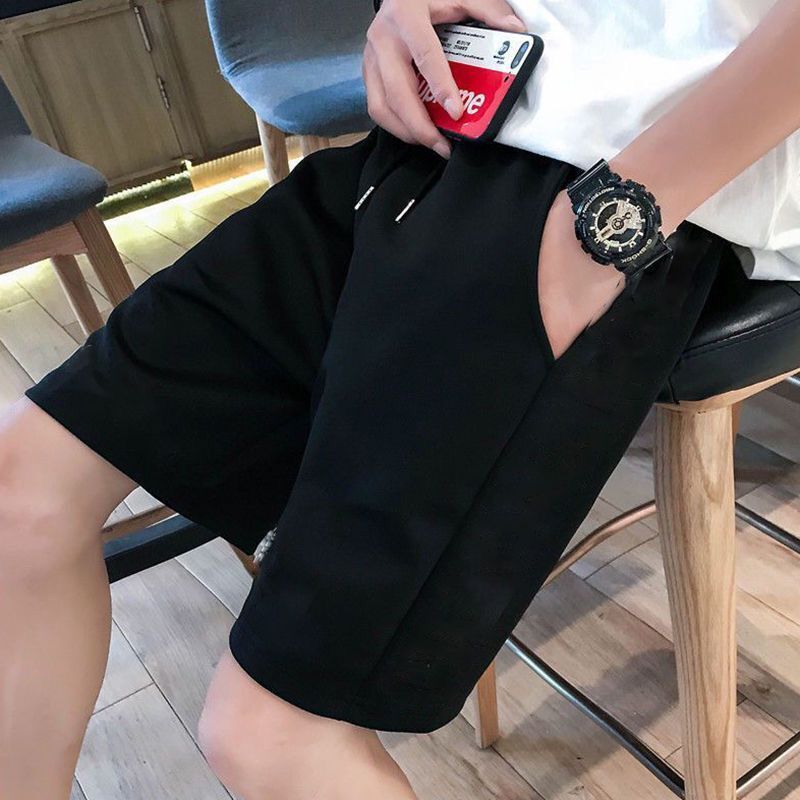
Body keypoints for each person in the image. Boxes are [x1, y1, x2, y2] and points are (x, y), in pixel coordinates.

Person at [1, 0, 799, 798]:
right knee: (20, 494)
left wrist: (611, 221)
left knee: (271, 733)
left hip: (622, 171)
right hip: (453, 123)